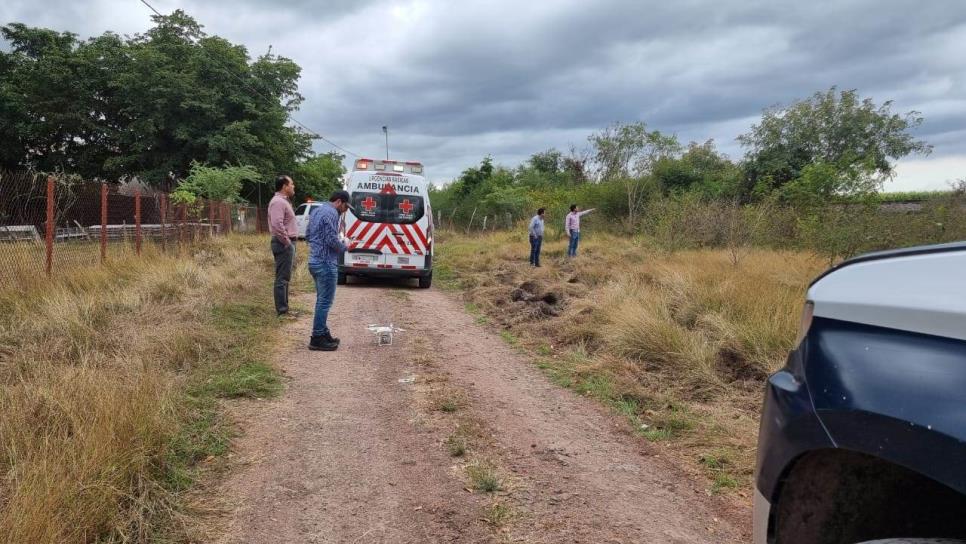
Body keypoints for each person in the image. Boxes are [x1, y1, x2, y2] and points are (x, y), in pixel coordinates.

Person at [305, 190, 350, 351]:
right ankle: (317, 337)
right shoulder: (331, 213)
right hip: (325, 263)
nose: (345, 210)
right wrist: (345, 246)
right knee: (325, 302)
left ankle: (323, 333)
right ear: (339, 202)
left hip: (314, 261)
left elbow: (308, 234)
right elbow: (331, 239)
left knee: (321, 300)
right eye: (345, 207)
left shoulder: (317, 210)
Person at [268, 175, 298, 318]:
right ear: (284, 186)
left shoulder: (283, 201)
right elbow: (277, 225)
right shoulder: (278, 202)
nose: (293, 186)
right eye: (291, 184)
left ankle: (285, 309)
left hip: (286, 242)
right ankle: (282, 311)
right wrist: (287, 242)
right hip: (283, 243)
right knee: (282, 278)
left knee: (285, 277)